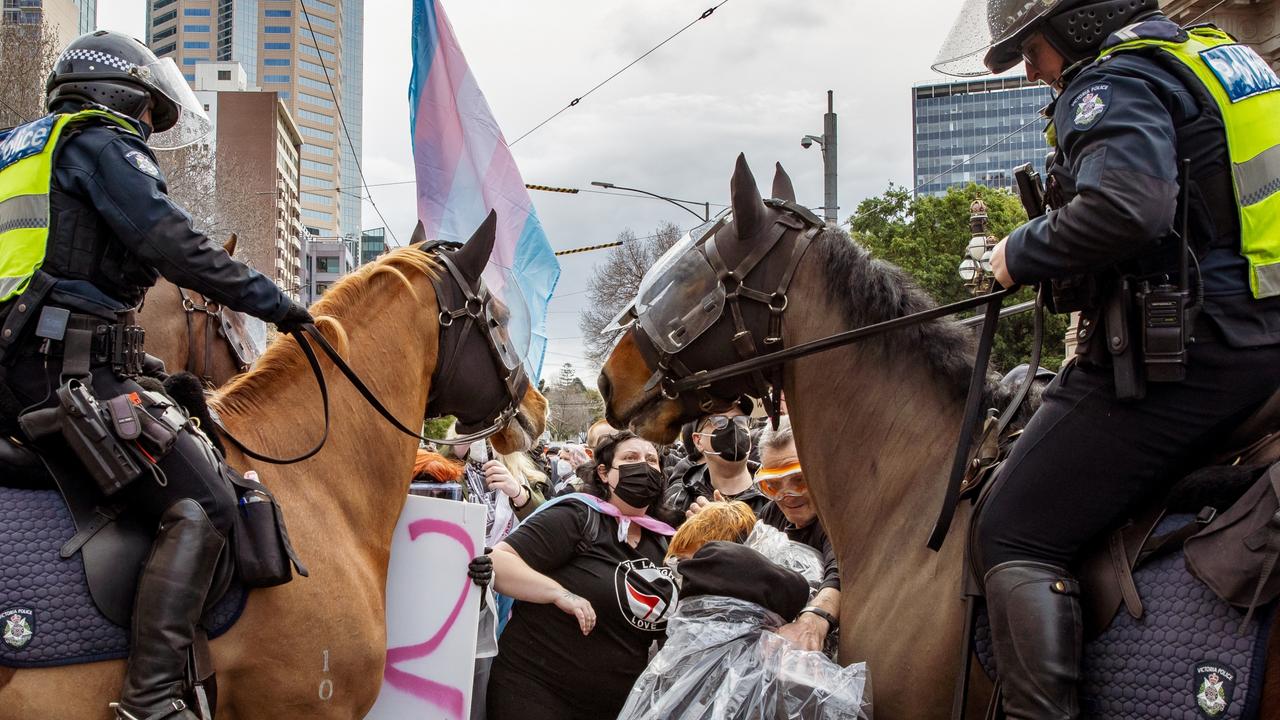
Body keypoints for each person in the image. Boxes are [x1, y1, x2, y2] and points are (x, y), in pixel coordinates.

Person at [934, 2, 1280, 717]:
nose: (1031, 71)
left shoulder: (1112, 83)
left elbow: (1129, 207)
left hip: (1199, 354)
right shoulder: (1217, 58)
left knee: (1011, 528)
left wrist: (1014, 253)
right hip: (1263, 332)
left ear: (1080, 25)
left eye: (1032, 50)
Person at [0, 31, 313, 720]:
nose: (147, 126)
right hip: (63, 373)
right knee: (204, 506)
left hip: (17, 367)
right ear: (121, 95)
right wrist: (282, 306)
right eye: (149, 112)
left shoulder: (17, 151)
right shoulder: (102, 143)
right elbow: (174, 242)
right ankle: (148, 703)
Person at [487, 431, 677, 720]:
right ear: (604, 473)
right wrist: (560, 594)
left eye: (652, 460)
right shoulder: (579, 515)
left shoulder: (663, 539)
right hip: (536, 691)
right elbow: (498, 561)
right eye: (630, 458)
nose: (644, 466)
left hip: (612, 706)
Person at [755, 417, 841, 653]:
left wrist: (815, 619)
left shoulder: (837, 515)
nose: (787, 495)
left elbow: (841, 572)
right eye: (772, 485)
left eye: (799, 480)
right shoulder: (771, 513)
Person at [658, 398, 770, 524]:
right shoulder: (679, 503)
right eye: (719, 422)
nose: (733, 428)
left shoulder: (774, 491)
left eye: (740, 421)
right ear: (698, 441)